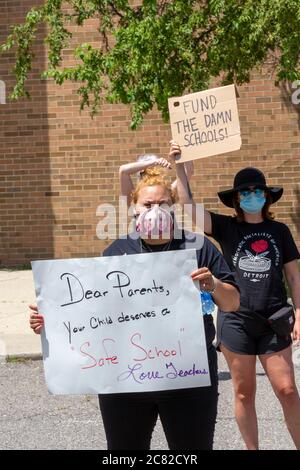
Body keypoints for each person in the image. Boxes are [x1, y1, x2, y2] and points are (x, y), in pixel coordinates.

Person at [29, 167, 240, 450]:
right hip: (125, 382)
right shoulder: (116, 252)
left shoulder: (198, 247)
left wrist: (212, 283)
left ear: (173, 206)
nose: (156, 209)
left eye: (163, 204)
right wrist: (52, 321)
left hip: (187, 379)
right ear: (133, 208)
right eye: (148, 204)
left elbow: (233, 302)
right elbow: (93, 314)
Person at [169, 140, 300, 450]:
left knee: (287, 390)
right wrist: (178, 165)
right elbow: (187, 207)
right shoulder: (226, 227)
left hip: (275, 320)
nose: (251, 197)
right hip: (236, 319)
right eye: (245, 192)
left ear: (266, 197)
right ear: (236, 199)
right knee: (243, 392)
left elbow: (294, 275)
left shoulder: (279, 230)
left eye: (257, 192)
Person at [119, 153, 194, 207]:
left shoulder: (167, 192)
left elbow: (188, 171)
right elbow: (123, 170)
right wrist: (154, 162)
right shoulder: (134, 196)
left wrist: (184, 151)